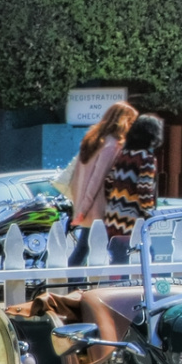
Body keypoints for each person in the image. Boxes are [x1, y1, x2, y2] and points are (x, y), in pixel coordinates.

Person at [67, 101, 138, 266]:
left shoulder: (92, 140)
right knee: (120, 250)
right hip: (102, 209)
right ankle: (119, 282)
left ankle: (70, 281)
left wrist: (81, 207)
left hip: (89, 207)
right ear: (123, 121)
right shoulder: (112, 145)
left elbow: (78, 176)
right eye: (131, 122)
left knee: (83, 248)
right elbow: (97, 178)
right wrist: (83, 209)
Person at [102, 114, 164, 264]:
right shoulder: (147, 158)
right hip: (134, 220)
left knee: (118, 260)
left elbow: (108, 182)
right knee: (147, 258)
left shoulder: (122, 154)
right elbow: (144, 189)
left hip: (113, 217)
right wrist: (149, 214)